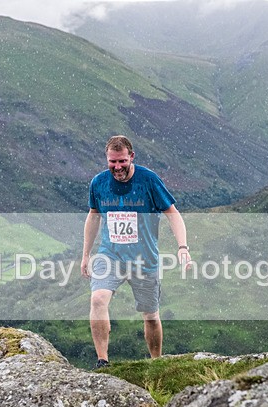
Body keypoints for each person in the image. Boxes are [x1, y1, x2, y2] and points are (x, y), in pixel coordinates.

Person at [81, 135, 191, 369]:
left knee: (150, 315)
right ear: (106, 159)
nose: (117, 167)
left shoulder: (149, 181)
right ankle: (103, 361)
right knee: (98, 299)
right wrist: (86, 255)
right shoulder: (98, 183)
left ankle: (156, 363)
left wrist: (183, 247)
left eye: (122, 161)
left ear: (131, 157)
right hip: (110, 255)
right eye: (112, 162)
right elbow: (93, 215)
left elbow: (173, 213)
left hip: (144, 260)